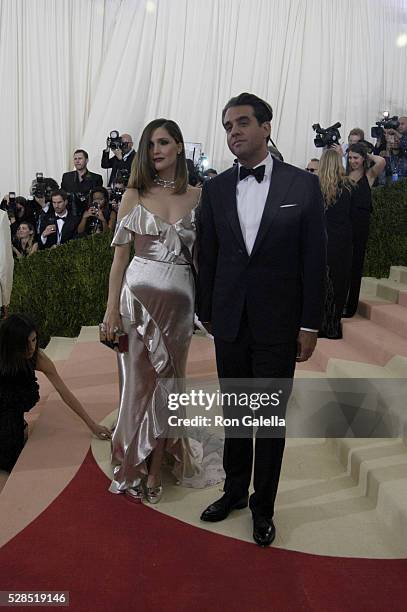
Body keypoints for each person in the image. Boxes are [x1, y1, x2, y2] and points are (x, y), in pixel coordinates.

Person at [197, 92, 326, 546]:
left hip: (278, 325)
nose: (234, 132)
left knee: (268, 420)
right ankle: (233, 491)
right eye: (228, 126)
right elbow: (206, 256)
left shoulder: (301, 186)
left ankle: (262, 506)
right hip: (229, 323)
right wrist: (206, 312)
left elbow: (315, 261)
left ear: (266, 127)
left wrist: (310, 325)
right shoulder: (213, 190)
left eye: (243, 123)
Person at [103, 118, 222, 503]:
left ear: (180, 147)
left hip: (180, 306)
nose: (156, 150)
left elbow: (204, 261)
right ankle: (133, 462)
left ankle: (155, 468)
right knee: (138, 388)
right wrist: (110, 312)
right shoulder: (134, 196)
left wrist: (209, 308)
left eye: (164, 142)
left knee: (171, 385)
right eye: (150, 144)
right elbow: (119, 261)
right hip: (137, 303)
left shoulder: (200, 197)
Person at [0, 314, 111, 473]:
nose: (32, 347)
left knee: (12, 456)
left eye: (34, 340)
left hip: (14, 406)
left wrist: (92, 425)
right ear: (12, 344)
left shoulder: (38, 358)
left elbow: (63, 391)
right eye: (25, 344)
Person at [344, 142, 386, 317]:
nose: (353, 161)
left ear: (363, 159)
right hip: (343, 224)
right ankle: (338, 301)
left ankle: (350, 306)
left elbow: (382, 161)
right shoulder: (344, 176)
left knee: (355, 265)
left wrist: (366, 154)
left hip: (360, 226)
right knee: (342, 264)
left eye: (356, 157)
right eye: (351, 157)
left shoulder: (369, 175)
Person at [318, 149, 354, 338]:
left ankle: (318, 326)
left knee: (320, 282)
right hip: (342, 241)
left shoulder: (315, 186)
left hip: (320, 239)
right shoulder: (348, 186)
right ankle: (332, 327)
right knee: (339, 282)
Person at [61, 149, 103, 216]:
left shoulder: (96, 178)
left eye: (80, 158)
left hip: (88, 213)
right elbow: (62, 194)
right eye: (75, 159)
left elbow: (98, 199)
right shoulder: (66, 176)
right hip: (69, 214)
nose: (77, 161)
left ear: (86, 160)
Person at [0, 209, 13, 320]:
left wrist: (5, 298)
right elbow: (4, 259)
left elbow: (5, 259)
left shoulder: (1, 216)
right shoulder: (1, 216)